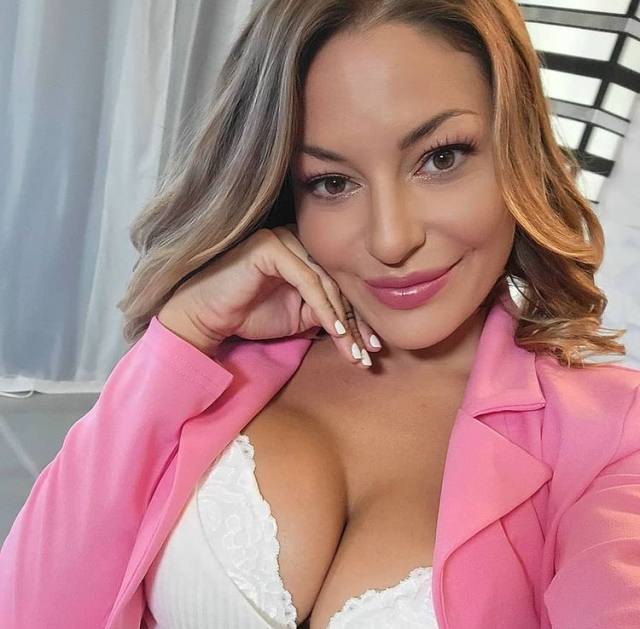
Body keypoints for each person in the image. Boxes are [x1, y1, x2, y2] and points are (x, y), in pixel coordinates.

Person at [1, 1, 639, 628]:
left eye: (441, 157)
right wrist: (182, 334)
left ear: (517, 151)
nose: (392, 240)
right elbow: (29, 610)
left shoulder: (615, 436)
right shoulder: (214, 360)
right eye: (332, 182)